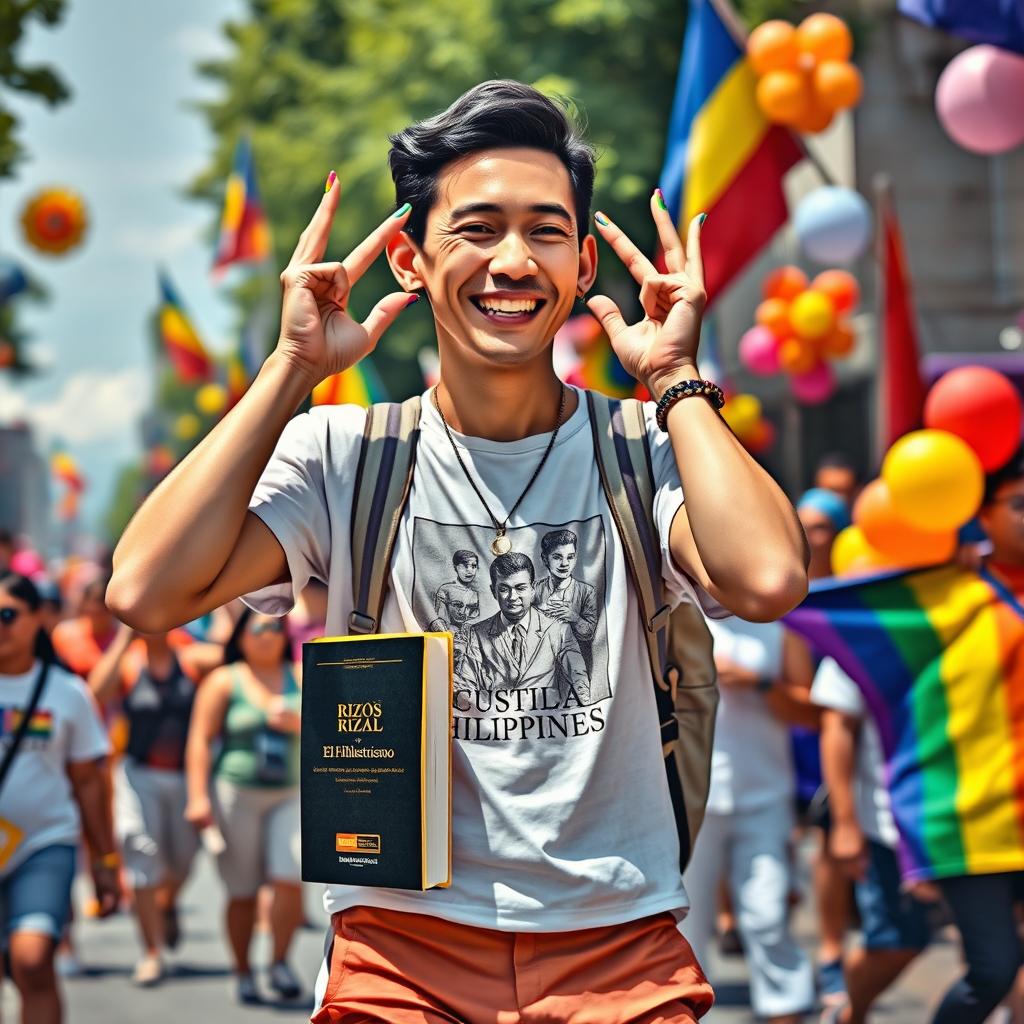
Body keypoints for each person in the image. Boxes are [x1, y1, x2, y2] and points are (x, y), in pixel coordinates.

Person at [108, 80, 808, 1022]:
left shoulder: (645, 448)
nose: (512, 261)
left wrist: (677, 378)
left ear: (584, 260)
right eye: (477, 228)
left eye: (547, 232)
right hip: (399, 946)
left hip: (620, 942)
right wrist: (290, 371)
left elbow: (767, 580)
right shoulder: (345, 454)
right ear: (409, 256)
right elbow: (144, 591)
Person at [680, 616, 818, 1024]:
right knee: (687, 927)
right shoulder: (678, 614)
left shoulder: (780, 627)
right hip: (692, 799)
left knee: (768, 916)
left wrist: (758, 683)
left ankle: (785, 1011)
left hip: (764, 795)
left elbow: (811, 714)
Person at [0, 573, 118, 1024]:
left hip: (42, 845)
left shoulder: (66, 693)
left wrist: (106, 865)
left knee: (31, 961)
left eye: (7, 615)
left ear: (39, 620)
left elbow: (89, 783)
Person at [88, 622, 223, 986]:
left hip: (185, 777)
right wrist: (123, 637)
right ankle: (151, 952)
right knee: (140, 852)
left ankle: (166, 902)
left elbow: (233, 653)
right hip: (139, 775)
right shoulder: (130, 664)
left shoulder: (192, 659)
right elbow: (95, 695)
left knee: (182, 859)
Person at [183, 608, 303, 1005]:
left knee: (290, 876)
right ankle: (243, 970)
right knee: (243, 891)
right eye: (259, 628)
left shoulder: (302, 676)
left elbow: (334, 725)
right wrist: (198, 797)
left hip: (290, 792)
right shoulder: (223, 680)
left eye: (275, 627)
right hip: (236, 794)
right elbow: (200, 739)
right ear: (241, 637)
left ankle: (280, 962)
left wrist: (300, 722)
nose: (269, 635)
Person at [812, 656, 931, 1024]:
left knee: (999, 950)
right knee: (897, 942)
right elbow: (837, 724)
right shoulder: (867, 620)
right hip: (893, 825)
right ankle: (849, 1013)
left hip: (983, 824)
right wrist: (845, 824)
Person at [794, 487, 855, 1009]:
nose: (813, 537)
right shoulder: (785, 590)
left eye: (823, 527)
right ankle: (832, 951)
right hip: (799, 744)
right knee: (828, 849)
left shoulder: (862, 594)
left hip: (855, 741)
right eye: (805, 525)